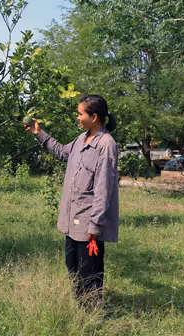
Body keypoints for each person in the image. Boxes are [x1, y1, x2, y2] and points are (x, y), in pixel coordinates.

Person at [25, 95, 119, 306]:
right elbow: (61, 152)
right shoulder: (80, 139)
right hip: (72, 221)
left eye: (80, 113)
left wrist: (95, 226)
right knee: (74, 270)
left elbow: (104, 189)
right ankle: (79, 311)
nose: (77, 117)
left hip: (88, 225)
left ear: (94, 117)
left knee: (89, 275)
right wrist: (39, 134)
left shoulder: (106, 145)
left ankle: (91, 316)